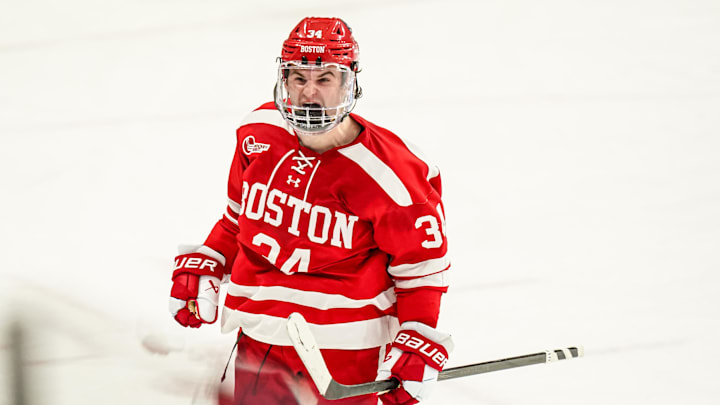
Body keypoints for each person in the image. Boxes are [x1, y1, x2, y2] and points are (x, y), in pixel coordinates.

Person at [169, 17, 453, 404]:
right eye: (299, 78)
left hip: (344, 356)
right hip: (258, 339)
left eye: (324, 79)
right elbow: (238, 217)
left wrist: (417, 336)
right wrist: (212, 257)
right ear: (283, 81)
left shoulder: (394, 177)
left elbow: (421, 270)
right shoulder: (257, 133)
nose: (309, 93)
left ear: (349, 82)